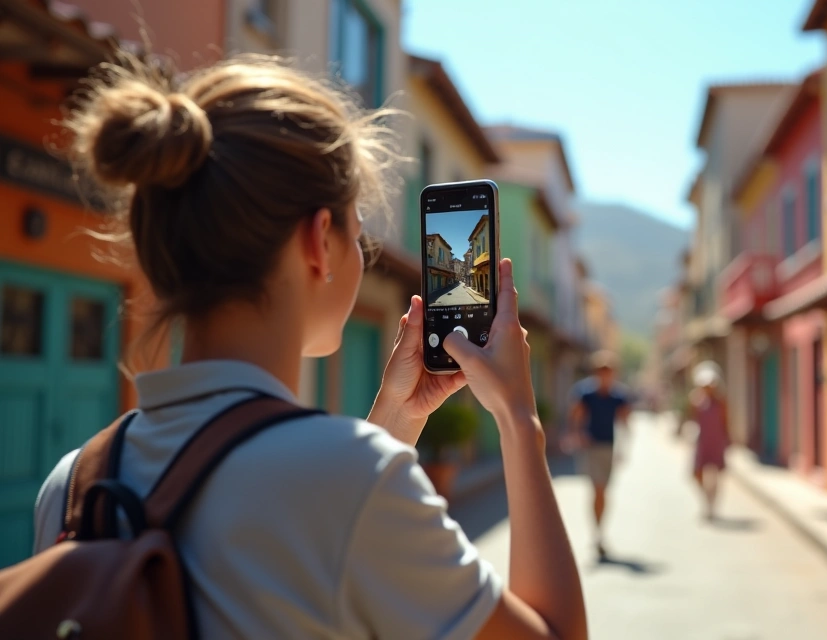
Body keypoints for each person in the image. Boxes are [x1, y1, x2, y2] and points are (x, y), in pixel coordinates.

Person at [30, 55, 586, 640]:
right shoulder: (356, 484)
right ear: (320, 241)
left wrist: (395, 418)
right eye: (354, 228)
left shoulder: (71, 483)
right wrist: (519, 421)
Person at [567, 351, 631, 558]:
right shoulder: (585, 393)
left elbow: (624, 422)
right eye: (602, 370)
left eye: (609, 371)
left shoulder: (618, 395)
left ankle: (599, 531)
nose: (605, 374)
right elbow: (576, 416)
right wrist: (578, 435)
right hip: (591, 447)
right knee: (598, 489)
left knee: (603, 491)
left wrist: (623, 448)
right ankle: (598, 534)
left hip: (608, 447)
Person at [681, 361, 730, 521]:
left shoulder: (721, 402)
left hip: (716, 441)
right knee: (697, 473)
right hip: (702, 442)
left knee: (715, 476)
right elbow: (690, 419)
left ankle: (711, 505)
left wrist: (728, 439)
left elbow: (726, 421)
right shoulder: (696, 401)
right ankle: (706, 499)